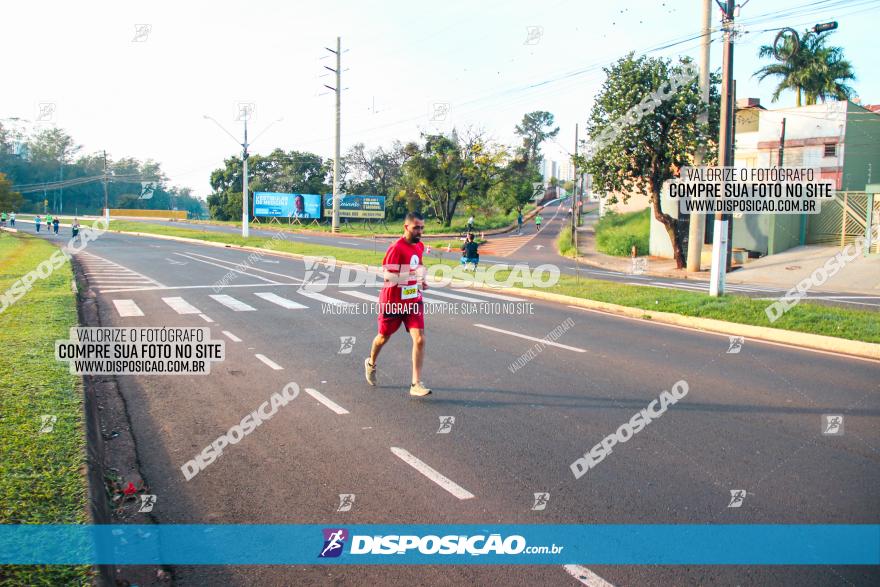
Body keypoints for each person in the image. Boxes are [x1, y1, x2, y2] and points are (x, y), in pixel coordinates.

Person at [365, 211, 432, 397]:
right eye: (416, 227)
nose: (420, 231)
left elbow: (419, 265)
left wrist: (422, 279)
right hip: (393, 302)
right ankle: (371, 362)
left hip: (413, 300)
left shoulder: (419, 246)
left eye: (421, 228)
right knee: (383, 337)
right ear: (406, 227)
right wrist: (408, 276)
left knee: (420, 339)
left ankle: (415, 384)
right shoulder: (396, 248)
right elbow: (387, 275)